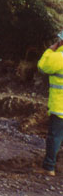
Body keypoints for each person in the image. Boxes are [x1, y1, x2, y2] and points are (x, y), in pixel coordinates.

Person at [37, 37, 63, 176]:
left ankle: (49, 167)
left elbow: (42, 66)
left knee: (55, 136)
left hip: (60, 106)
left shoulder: (59, 57)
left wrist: (49, 50)